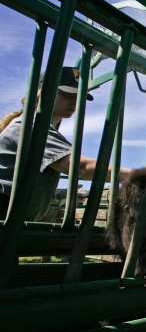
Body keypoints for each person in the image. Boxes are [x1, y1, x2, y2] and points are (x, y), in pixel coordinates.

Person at [0, 66, 132, 222]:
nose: (74, 101)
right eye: (66, 94)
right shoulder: (32, 126)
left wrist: (57, 194)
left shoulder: (35, 125)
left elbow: (20, 179)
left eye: (78, 96)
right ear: (42, 92)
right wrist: (142, 175)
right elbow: (80, 167)